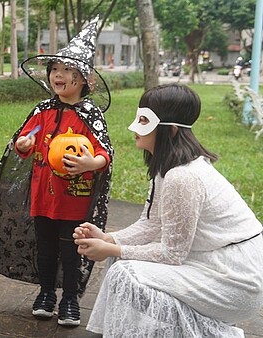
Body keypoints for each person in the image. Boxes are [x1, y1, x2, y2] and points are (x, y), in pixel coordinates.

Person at [74, 84, 263, 337]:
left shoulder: (183, 177)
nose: (133, 127)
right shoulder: (169, 168)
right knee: (124, 261)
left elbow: (172, 254)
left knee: (125, 273)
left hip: (235, 279)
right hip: (213, 261)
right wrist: (109, 239)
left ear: (170, 130)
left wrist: (113, 250)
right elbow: (153, 224)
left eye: (143, 120)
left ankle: (212, 332)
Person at [13, 17, 113, 327]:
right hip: (42, 196)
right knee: (45, 248)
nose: (60, 75)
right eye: (56, 70)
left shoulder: (90, 114)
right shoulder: (43, 110)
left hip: (75, 198)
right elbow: (22, 143)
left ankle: (70, 299)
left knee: (72, 251)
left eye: (69, 71)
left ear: (84, 80)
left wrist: (90, 164)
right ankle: (45, 294)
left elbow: (105, 153)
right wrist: (24, 142)